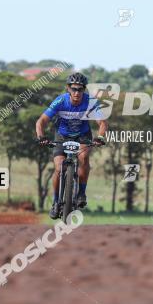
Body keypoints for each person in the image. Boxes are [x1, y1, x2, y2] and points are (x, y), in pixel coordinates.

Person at [35, 72, 107, 218]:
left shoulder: (90, 102)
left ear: (84, 90)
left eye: (80, 89)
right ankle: (56, 202)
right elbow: (41, 121)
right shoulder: (60, 101)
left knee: (84, 158)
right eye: (74, 89)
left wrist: (100, 137)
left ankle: (81, 193)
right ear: (68, 88)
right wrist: (41, 136)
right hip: (62, 135)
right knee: (58, 167)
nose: (77, 92)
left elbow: (102, 123)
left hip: (82, 135)